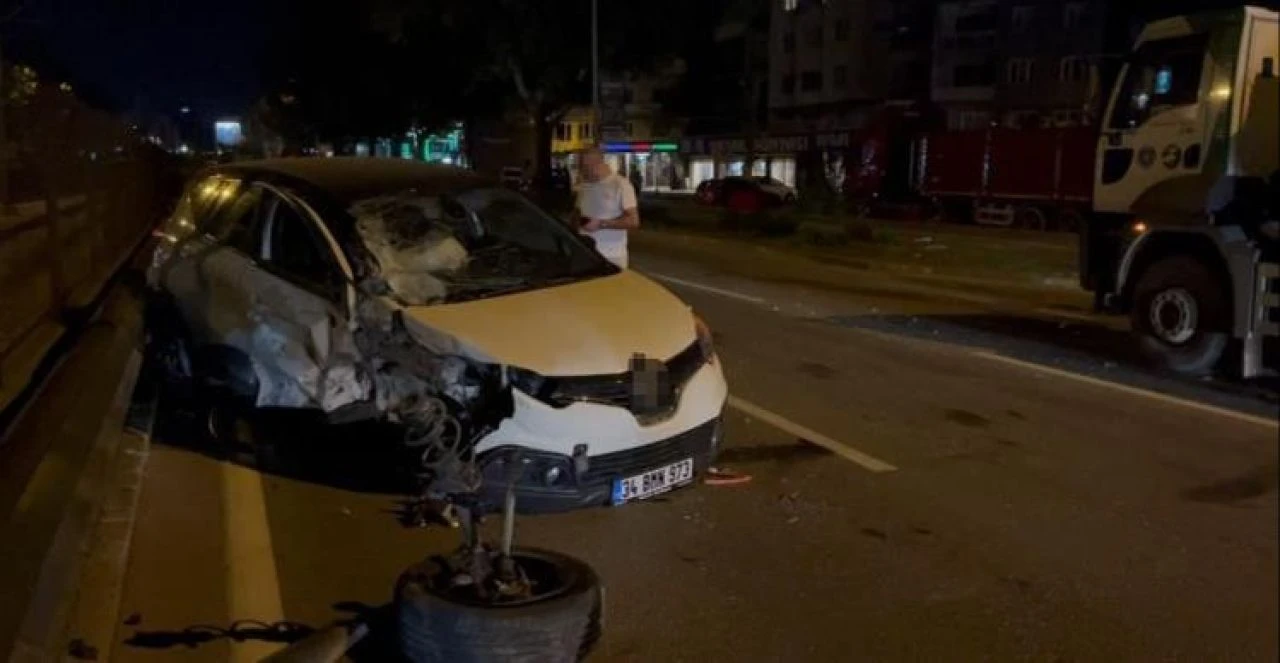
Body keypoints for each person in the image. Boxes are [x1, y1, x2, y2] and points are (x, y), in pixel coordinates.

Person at [576, 146, 640, 268]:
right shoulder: (584, 186)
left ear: (596, 164)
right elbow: (577, 213)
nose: (580, 170)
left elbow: (633, 221)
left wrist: (601, 224)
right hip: (586, 254)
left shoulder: (620, 184)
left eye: (583, 167)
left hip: (611, 256)